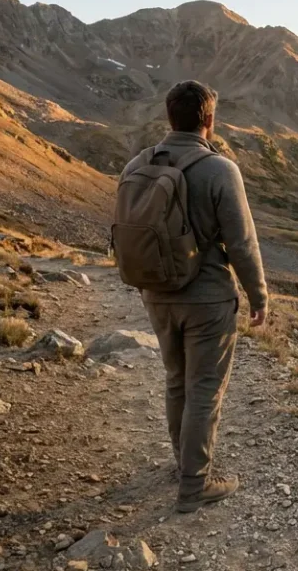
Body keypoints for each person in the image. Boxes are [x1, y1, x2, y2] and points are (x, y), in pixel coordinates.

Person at [120, 80, 268, 513]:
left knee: (176, 380)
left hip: (156, 292)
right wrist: (258, 295)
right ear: (210, 120)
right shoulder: (220, 169)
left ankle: (183, 463)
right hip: (206, 299)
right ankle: (194, 485)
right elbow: (241, 243)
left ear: (169, 117)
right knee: (204, 388)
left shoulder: (137, 164)